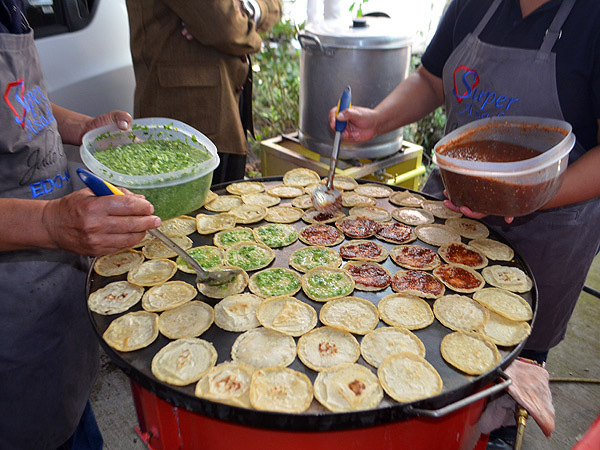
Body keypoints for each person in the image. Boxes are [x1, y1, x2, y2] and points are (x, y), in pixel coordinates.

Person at [331, 0, 600, 446]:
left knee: (514, 346)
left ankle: (492, 426)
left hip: (551, 220)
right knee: (435, 331)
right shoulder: (475, 4)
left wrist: (531, 193)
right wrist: (377, 120)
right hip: (453, 210)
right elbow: (430, 80)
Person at [0, 1, 162, 449]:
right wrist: (52, 222)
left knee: (68, 418)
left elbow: (19, 106)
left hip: (53, 323)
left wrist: (83, 126)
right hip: (8, 331)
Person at [125, 0, 282, 185]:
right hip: (187, 122)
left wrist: (245, 8)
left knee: (227, 205)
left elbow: (274, 5)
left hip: (223, 110)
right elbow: (226, 27)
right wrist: (242, 21)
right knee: (197, 210)